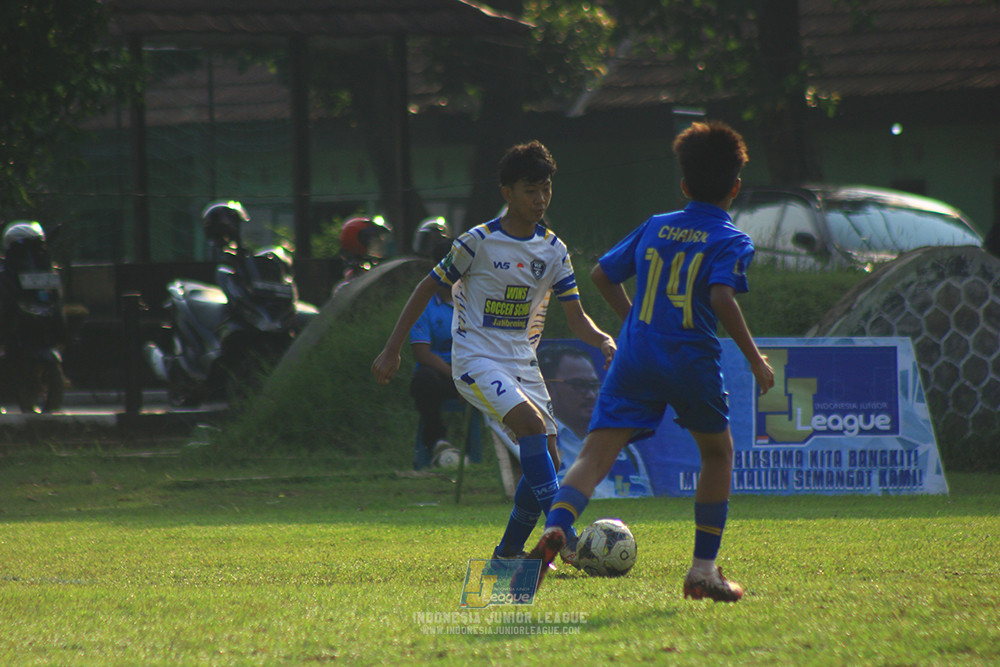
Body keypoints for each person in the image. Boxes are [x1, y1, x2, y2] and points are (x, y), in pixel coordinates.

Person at [526, 121, 775, 602]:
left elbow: (601, 273)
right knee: (717, 453)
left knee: (594, 455)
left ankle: (557, 529)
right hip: (690, 358)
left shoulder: (657, 225)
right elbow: (722, 297)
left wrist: (636, 320)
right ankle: (703, 570)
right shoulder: (730, 239)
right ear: (736, 188)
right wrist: (754, 358)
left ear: (684, 185)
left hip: (636, 354)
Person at [372, 140, 616, 561]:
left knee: (550, 457)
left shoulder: (554, 250)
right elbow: (426, 286)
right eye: (530, 191)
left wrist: (602, 339)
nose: (540, 200)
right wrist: (392, 349)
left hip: (522, 361)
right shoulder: (477, 242)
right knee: (532, 429)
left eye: (546, 189)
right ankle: (568, 537)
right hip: (475, 360)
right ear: (507, 193)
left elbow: (576, 317)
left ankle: (507, 553)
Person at [538, 344, 650, 498]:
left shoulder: (622, 445)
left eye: (594, 386)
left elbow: (647, 500)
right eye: (579, 385)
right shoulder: (535, 440)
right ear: (548, 388)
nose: (590, 395)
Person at [409, 236, 460, 466]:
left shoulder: (474, 299)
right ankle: (437, 441)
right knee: (423, 380)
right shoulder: (423, 302)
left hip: (469, 371)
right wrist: (454, 375)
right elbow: (422, 353)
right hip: (439, 374)